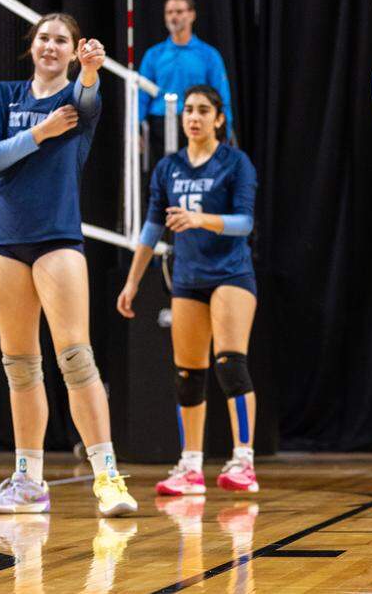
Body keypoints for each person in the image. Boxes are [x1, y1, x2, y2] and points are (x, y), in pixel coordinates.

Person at [0, 13, 137, 517]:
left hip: (57, 238)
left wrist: (90, 72)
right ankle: (29, 482)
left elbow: (87, 98)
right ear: (32, 44)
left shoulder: (77, 99)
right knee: (19, 364)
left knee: (74, 357)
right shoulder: (5, 95)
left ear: (72, 50)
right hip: (4, 240)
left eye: (61, 39)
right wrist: (39, 133)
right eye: (43, 37)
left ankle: (108, 478)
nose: (50, 45)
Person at [116, 85, 259, 494]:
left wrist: (200, 219)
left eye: (202, 111)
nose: (193, 117)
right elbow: (151, 228)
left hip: (231, 274)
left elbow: (244, 224)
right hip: (188, 278)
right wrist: (132, 282)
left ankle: (243, 460)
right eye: (189, 111)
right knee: (187, 375)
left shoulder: (235, 163)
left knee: (230, 365)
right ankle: (191, 466)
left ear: (218, 118)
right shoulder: (168, 168)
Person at [137, 0, 235, 165]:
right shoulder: (154, 55)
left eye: (179, 11)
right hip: (160, 126)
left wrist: (225, 131)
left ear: (191, 15)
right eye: (169, 12)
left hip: (197, 123)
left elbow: (221, 95)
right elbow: (141, 96)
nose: (174, 16)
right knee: (161, 178)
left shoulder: (208, 55)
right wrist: (134, 129)